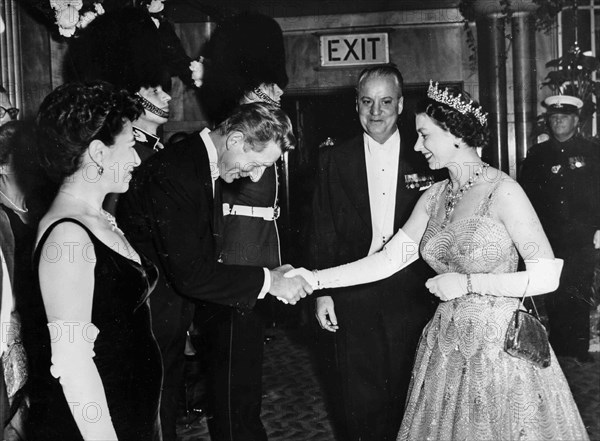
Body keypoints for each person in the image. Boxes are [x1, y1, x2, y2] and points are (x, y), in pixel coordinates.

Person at [289, 81, 590, 440]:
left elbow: (546, 276)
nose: (417, 146)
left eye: (424, 136)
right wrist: (315, 278)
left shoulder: (503, 191)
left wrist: (468, 284)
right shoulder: (433, 197)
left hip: (498, 350)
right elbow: (387, 260)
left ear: (455, 135)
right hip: (446, 346)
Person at [117, 101, 312, 441]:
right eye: (255, 164)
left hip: (167, 322)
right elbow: (192, 273)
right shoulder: (177, 171)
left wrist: (271, 275)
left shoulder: (199, 164)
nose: (255, 177)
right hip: (148, 328)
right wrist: (270, 282)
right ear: (235, 140)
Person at [22, 81, 162, 440]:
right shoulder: (68, 237)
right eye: (131, 145)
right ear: (99, 153)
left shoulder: (97, 217)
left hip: (131, 412)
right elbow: (73, 365)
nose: (135, 158)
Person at [308, 65, 437, 441]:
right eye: (367, 102)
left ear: (400, 105)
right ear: (356, 105)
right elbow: (322, 228)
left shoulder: (425, 156)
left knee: (412, 392)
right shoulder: (333, 159)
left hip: (415, 293)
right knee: (357, 396)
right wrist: (322, 292)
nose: (376, 112)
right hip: (354, 291)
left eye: (385, 102)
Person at [194, 12, 288, 441]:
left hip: (256, 261)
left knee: (245, 382)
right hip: (236, 265)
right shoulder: (239, 135)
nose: (279, 94)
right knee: (235, 387)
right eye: (271, 89)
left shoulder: (260, 130)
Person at [68, 7, 176, 214]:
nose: (167, 96)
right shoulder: (127, 153)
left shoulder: (152, 149)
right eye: (155, 90)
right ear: (132, 96)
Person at [520, 95, 600, 362]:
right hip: (549, 236)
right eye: (553, 118)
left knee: (579, 291)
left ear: (576, 120)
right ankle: (557, 349)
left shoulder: (593, 151)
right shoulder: (538, 154)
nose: (557, 122)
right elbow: (526, 195)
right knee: (553, 293)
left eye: (563, 117)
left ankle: (577, 350)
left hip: (581, 236)